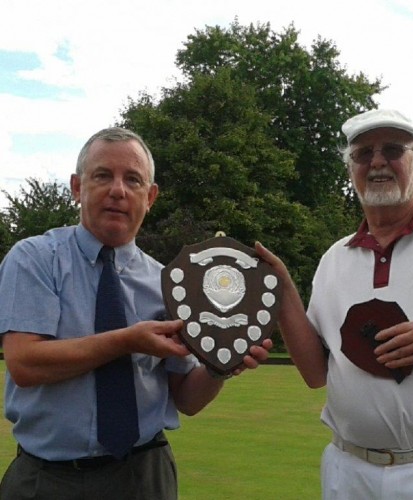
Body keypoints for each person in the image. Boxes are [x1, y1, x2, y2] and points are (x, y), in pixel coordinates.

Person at [0, 127, 271, 500]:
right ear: (77, 188)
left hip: (143, 477)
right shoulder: (34, 259)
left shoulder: (171, 283)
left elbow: (187, 400)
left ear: (151, 196)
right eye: (102, 176)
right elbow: (25, 364)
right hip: (48, 480)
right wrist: (128, 340)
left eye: (133, 179)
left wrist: (220, 364)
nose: (118, 190)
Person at [256, 109, 413, 499]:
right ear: (351, 168)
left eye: (392, 149)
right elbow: (316, 372)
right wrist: (283, 289)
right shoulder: (335, 258)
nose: (378, 162)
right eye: (363, 153)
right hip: (347, 471)